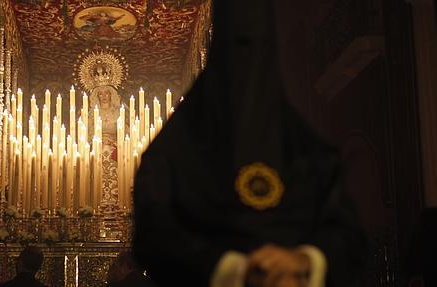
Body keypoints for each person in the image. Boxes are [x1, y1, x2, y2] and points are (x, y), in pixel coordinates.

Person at [131, 1, 368, 287]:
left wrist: (304, 261)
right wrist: (234, 270)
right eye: (238, 48)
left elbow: (348, 234)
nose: (248, 64)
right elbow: (153, 235)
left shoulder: (307, 149)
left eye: (258, 48)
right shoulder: (176, 148)